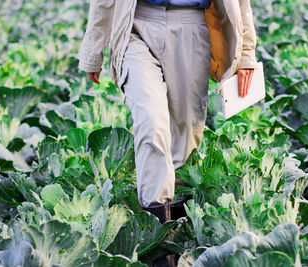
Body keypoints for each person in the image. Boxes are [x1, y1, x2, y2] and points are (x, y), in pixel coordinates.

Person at [78, 0, 258, 232]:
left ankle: (178, 229)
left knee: (185, 135)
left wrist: (245, 55)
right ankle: (156, 233)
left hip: (192, 25)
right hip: (136, 25)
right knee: (151, 121)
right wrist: (93, 49)